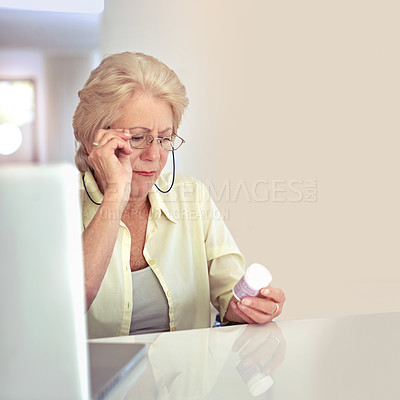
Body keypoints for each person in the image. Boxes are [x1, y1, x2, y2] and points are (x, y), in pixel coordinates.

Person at [73, 52, 286, 339]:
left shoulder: (192, 196)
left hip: (186, 381)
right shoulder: (59, 206)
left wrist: (248, 306)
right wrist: (116, 192)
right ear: (93, 139)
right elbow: (72, 299)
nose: (154, 155)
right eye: (138, 137)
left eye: (164, 139)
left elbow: (229, 296)